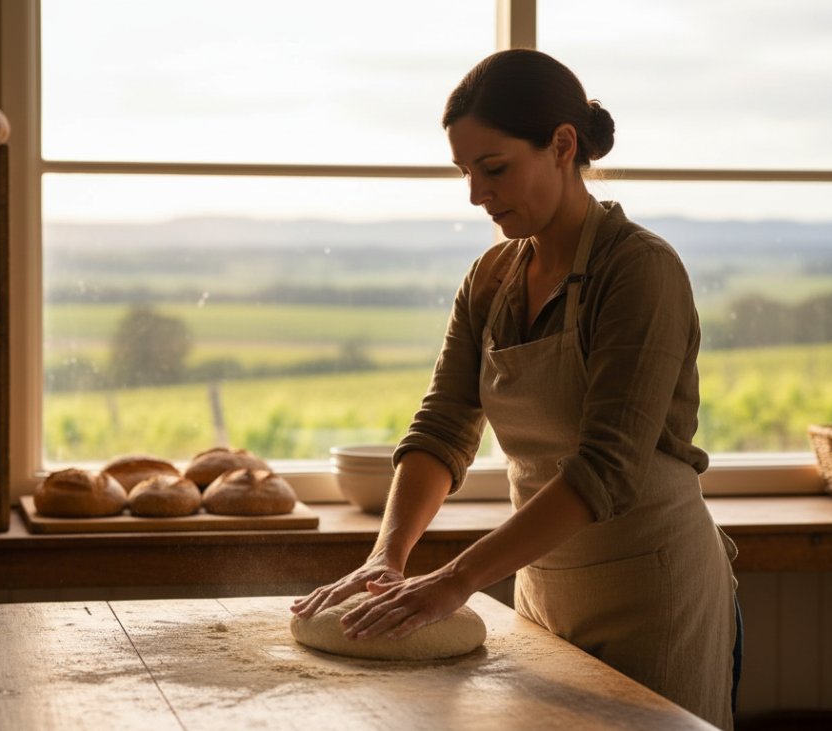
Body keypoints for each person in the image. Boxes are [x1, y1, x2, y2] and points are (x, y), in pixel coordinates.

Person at [291, 49, 741, 730]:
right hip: (543, 584)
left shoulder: (640, 271)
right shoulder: (493, 277)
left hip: (654, 589)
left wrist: (454, 580)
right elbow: (443, 426)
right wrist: (388, 554)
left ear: (562, 145)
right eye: (465, 172)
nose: (477, 194)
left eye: (493, 168)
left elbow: (604, 469)